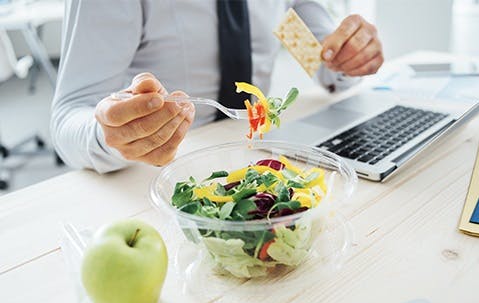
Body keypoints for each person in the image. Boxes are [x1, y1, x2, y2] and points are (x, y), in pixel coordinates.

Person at [51, 0, 383, 174]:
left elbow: (327, 64)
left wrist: (349, 57)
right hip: (156, 176)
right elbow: (69, 116)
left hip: (262, 158)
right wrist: (118, 136)